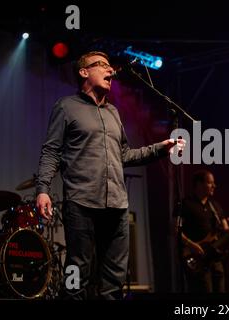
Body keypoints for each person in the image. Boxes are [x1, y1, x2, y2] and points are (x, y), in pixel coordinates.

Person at [35, 51, 185, 300]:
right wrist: (42, 189)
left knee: (114, 280)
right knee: (77, 275)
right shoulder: (66, 107)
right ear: (84, 72)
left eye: (110, 66)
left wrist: (162, 148)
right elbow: (51, 151)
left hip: (116, 205)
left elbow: (124, 155)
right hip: (81, 203)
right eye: (102, 65)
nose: (110, 70)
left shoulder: (113, 112)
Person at [179, 170, 229, 294]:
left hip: (215, 258)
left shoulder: (215, 206)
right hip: (197, 259)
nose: (214, 186)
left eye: (214, 183)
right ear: (198, 184)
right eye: (210, 183)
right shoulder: (185, 204)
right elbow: (175, 230)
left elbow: (226, 229)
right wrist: (192, 245)